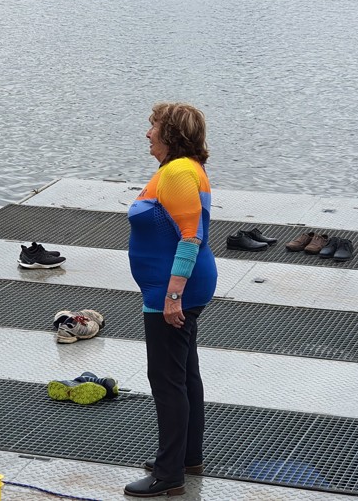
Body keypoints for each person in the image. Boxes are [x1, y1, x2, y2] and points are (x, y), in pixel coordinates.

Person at [124, 102, 217, 497]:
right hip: (175, 286)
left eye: (154, 126)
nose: (148, 133)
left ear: (172, 134)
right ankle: (187, 457)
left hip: (174, 290)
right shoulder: (181, 169)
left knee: (166, 381)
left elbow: (190, 238)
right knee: (184, 373)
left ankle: (169, 475)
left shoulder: (178, 172)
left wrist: (173, 296)